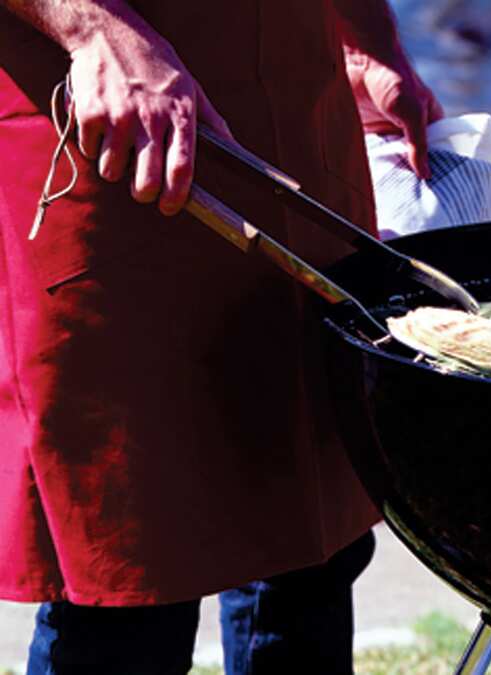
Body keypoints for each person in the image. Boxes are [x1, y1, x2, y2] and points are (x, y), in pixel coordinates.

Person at [0, 1, 441, 673]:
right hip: (102, 111)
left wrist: (369, 39)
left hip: (298, 97)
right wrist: (91, 26)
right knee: (129, 562)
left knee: (311, 542)